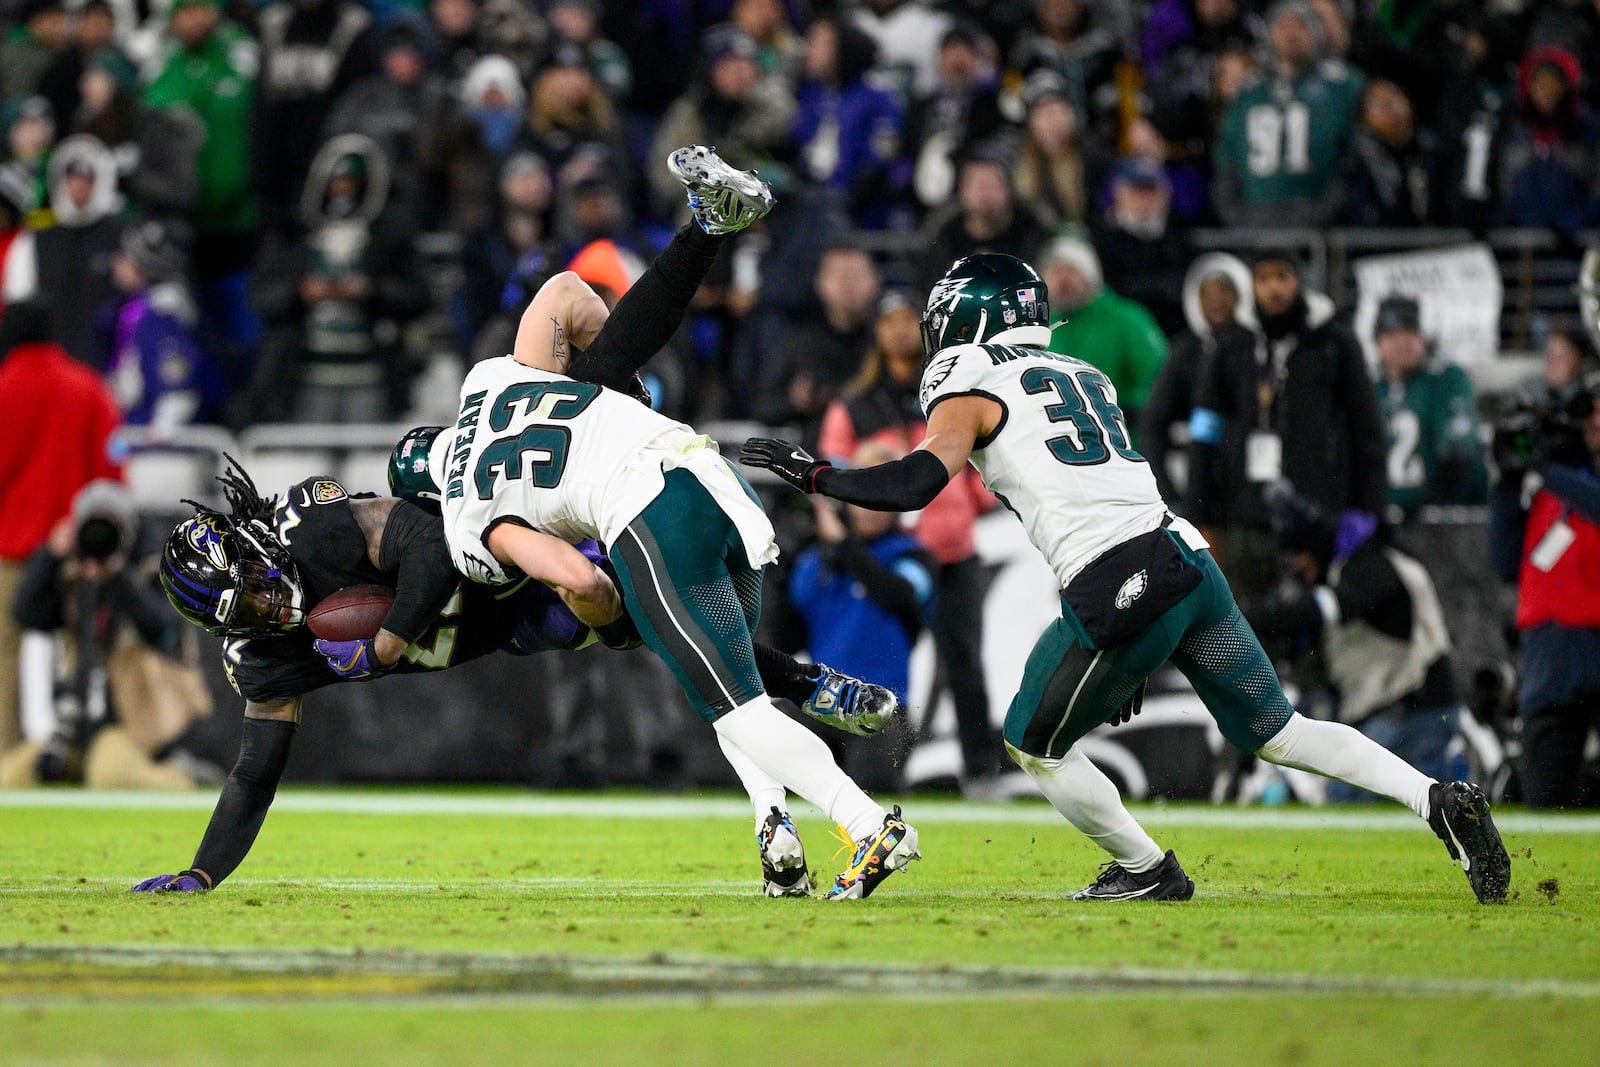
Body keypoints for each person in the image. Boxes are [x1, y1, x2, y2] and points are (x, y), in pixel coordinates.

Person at [131, 153, 896, 896]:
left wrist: (394, 638)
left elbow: (437, 543)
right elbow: (253, 771)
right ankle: (785, 784)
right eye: (252, 614)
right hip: (576, 551)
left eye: (260, 589)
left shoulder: (416, 519)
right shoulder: (490, 390)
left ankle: (836, 787)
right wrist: (204, 869)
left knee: (679, 646)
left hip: (533, 563)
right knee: (695, 642)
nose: (271, 608)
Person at [741, 252, 1510, 905]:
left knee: (1031, 742)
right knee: (1279, 731)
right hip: (1182, 555)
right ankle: (1434, 797)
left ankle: (1148, 869)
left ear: (970, 317)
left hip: (1120, 575)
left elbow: (914, 484)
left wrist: (818, 477)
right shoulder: (1081, 370)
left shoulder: (969, 374)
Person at [438, 146, 921, 901]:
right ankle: (776, 833)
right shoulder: (488, 383)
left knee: (729, 696)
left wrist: (609, 619)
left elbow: (575, 576)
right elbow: (566, 290)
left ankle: (869, 826)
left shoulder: (465, 518)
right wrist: (614, 383)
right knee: (731, 677)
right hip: (712, 474)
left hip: (649, 510)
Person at [816, 290, 1003, 789]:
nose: (899, 332)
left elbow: (983, 475)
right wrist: (840, 533)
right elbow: (830, 475)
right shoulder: (855, 405)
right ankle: (865, 759)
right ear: (876, 332)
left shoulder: (949, 394)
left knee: (964, 664)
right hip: (888, 553)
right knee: (864, 657)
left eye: (908, 322)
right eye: (890, 321)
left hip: (951, 548)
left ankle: (981, 773)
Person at [1246, 484, 1463, 797]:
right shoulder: (1353, 563)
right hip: (1391, 708)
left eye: (1301, 558)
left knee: (1349, 799)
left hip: (1416, 708)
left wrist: (1238, 616)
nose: (1299, 569)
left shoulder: (1373, 564)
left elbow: (1324, 609)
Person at [2, 480, 214, 789]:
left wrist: (119, 576)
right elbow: (28, 615)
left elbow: (166, 632)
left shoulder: (154, 567)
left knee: (109, 774)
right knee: (11, 778)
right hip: (74, 725)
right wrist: (50, 556)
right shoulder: (71, 575)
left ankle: (189, 780)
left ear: (127, 531)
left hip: (134, 724)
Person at [0, 300, 123, 762]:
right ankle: (80, 755)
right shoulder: (87, 387)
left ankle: (6, 759)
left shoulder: (3, 389)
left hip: (8, 546)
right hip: (78, 546)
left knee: (3, 655)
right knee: (84, 651)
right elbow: (112, 473)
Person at [1489, 372, 1600, 808]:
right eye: (1590, 410)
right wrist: (1507, 481)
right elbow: (1504, 561)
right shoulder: (1554, 486)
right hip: (1550, 659)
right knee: (1546, 810)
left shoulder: (1562, 482)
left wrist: (1546, 471)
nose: (1594, 420)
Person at [1211, 0, 1365, 227]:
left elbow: (1353, 159)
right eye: (1283, 26)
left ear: (1316, 33)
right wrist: (1238, 216)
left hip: (1321, 222)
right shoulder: (1249, 92)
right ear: (1269, 35)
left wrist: (1323, 212)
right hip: (1255, 220)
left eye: (1300, 25)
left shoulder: (1343, 85)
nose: (1290, 33)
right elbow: (1226, 160)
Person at [1040, 233, 1169, 437]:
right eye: (1055, 271)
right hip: (1056, 445)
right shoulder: (1038, 326)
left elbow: (1160, 377)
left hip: (1120, 442)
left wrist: (1125, 410)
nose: (1062, 281)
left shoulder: (1127, 320)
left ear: (1091, 276)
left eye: (1071, 271)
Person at [1370, 296, 1488, 514]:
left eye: (1409, 331)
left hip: (1445, 515)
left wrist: (1425, 503)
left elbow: (1458, 454)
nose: (1401, 342)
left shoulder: (1445, 378)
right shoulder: (1370, 386)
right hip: (1385, 515)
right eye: (1390, 334)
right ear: (1378, 340)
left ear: (1423, 337)